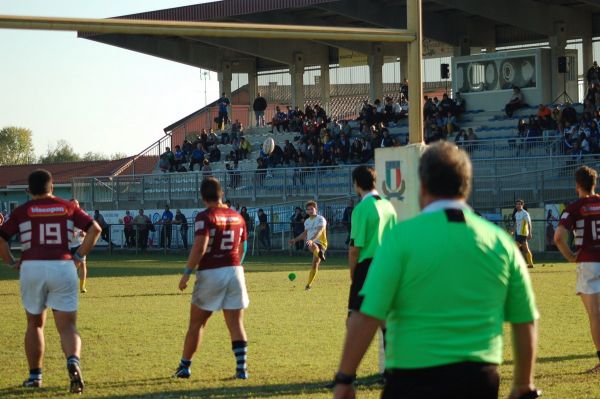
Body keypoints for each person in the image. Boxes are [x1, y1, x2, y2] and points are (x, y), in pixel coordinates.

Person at [333, 142, 540, 399]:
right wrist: (522, 383)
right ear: (466, 185)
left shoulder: (401, 239)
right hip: (479, 380)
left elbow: (366, 315)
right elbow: (524, 320)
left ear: (422, 185)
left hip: (412, 377)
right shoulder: (500, 243)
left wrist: (345, 378)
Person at [0, 169, 101, 393]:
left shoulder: (22, 210)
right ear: (52, 187)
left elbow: (2, 238)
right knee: (67, 327)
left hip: (32, 267)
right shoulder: (68, 207)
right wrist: (78, 255)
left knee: (35, 324)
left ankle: (35, 376)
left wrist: (10, 261)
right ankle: (73, 360)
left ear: (29, 191)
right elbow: (95, 229)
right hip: (63, 266)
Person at [173, 177, 249, 380]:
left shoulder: (205, 216)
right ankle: (241, 369)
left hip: (211, 272)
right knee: (236, 323)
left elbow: (200, 246)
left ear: (202, 196)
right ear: (221, 193)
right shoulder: (237, 216)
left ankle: (184, 366)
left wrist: (187, 274)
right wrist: (235, 263)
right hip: (235, 271)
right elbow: (242, 246)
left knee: (197, 324)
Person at [344, 165, 397, 383]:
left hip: (367, 265)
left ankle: (347, 375)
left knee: (354, 320)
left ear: (356, 183)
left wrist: (353, 273)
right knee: (386, 321)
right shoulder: (388, 206)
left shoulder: (362, 210)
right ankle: (391, 373)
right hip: (388, 265)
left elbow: (355, 248)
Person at [554, 166, 600, 373]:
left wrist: (571, 256)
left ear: (577, 186)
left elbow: (558, 237)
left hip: (589, 262)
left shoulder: (573, 208)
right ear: (594, 184)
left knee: (595, 315)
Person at [288, 201, 327, 291]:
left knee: (312, 251)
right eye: (308, 209)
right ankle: (308, 285)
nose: (310, 211)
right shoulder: (307, 221)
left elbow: (319, 231)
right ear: (306, 211)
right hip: (312, 244)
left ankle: (319, 253)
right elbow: (304, 233)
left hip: (321, 243)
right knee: (314, 263)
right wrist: (295, 240)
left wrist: (311, 240)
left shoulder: (321, 219)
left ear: (316, 209)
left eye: (312, 209)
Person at [69, 199, 88, 293]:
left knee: (82, 264)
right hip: (68, 245)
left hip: (80, 243)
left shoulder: (83, 216)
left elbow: (88, 228)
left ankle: (82, 287)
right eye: (73, 205)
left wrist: (84, 233)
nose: (75, 206)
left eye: (77, 204)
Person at [513, 199, 535, 268]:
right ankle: (530, 264)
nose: (518, 205)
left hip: (523, 233)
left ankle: (517, 264)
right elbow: (516, 224)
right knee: (525, 249)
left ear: (522, 205)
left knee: (516, 248)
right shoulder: (516, 214)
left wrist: (530, 233)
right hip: (518, 233)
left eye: (520, 204)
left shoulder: (525, 213)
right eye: (517, 204)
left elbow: (529, 223)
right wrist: (513, 230)